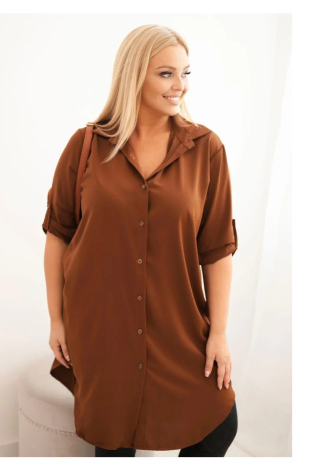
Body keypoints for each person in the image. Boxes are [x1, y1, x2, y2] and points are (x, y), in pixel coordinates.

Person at [42, 24, 239, 457]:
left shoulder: (206, 149)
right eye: (166, 73)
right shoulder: (86, 146)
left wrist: (218, 333)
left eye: (185, 73)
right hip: (102, 325)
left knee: (220, 424)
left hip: (178, 323)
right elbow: (58, 236)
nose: (179, 85)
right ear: (133, 75)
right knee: (113, 439)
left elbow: (216, 251)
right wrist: (57, 320)